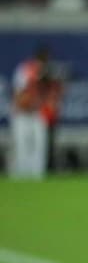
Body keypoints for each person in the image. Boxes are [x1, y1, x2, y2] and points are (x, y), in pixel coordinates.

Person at [9, 45, 63, 179]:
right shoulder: (25, 70)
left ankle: (37, 176)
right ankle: (20, 176)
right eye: (42, 59)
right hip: (22, 114)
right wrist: (23, 104)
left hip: (38, 112)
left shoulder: (48, 72)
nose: (44, 62)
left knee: (39, 146)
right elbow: (18, 93)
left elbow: (52, 93)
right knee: (22, 146)